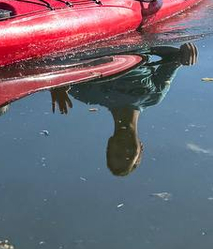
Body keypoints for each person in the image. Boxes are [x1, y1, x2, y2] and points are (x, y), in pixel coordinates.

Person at [51, 43, 198, 176]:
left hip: (99, 41)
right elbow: (174, 57)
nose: (124, 148)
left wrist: (56, 85)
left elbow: (59, 67)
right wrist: (186, 53)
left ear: (110, 145)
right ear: (140, 148)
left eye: (117, 153)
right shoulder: (154, 95)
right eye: (128, 155)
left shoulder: (88, 95)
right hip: (137, 40)